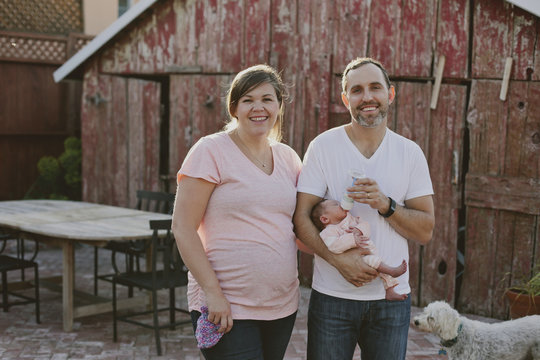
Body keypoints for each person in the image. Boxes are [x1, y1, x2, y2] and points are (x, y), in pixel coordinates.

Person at [293, 57, 435, 360]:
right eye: (356, 90)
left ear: (390, 94)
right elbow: (301, 218)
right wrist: (337, 260)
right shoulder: (323, 147)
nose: (367, 97)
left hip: (391, 301)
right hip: (332, 298)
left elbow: (425, 231)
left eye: (375, 88)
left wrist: (386, 205)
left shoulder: (409, 153)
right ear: (346, 99)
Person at [171, 64, 303, 360]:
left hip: (281, 306)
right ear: (234, 108)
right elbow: (182, 227)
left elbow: (300, 225)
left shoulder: (289, 158)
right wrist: (213, 293)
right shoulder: (211, 151)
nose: (259, 107)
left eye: (267, 99)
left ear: (279, 105)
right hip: (227, 306)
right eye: (248, 100)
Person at [311, 199, 407, 301]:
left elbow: (366, 225)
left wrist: (359, 229)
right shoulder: (328, 232)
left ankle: (390, 291)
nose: (340, 204)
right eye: (335, 205)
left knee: (382, 268)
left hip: (369, 250)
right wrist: (352, 239)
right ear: (325, 219)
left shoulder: (351, 219)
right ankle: (392, 271)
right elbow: (334, 246)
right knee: (375, 262)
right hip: (359, 259)